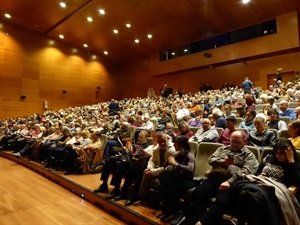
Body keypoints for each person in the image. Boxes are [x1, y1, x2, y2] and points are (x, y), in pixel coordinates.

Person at [184, 131, 259, 225]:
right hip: (215, 177)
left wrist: (229, 182)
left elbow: (245, 172)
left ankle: (201, 223)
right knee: (198, 193)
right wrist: (223, 162)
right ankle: (201, 220)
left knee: (222, 202)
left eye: (238, 142)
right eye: (232, 141)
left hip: (232, 182)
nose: (234, 144)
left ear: (244, 142)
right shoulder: (222, 149)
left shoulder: (249, 155)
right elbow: (211, 160)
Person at [234, 138, 300, 225]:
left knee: (249, 196)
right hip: (260, 184)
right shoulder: (269, 158)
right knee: (245, 194)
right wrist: (260, 177)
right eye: (277, 152)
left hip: (275, 191)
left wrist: (291, 161)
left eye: (282, 153)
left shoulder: (292, 165)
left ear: (289, 153)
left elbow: (296, 182)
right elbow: (258, 172)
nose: (279, 155)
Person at [93, 130, 150, 199]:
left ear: (146, 138)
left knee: (118, 164)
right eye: (138, 137)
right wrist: (126, 150)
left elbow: (141, 159)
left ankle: (116, 189)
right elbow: (130, 155)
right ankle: (104, 184)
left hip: (134, 165)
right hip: (128, 161)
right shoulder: (137, 143)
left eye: (141, 137)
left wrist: (133, 153)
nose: (139, 138)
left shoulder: (147, 147)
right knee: (108, 161)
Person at [158, 136, 195, 224]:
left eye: (176, 144)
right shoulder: (177, 154)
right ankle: (172, 209)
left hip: (188, 180)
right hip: (178, 178)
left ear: (181, 145)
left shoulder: (190, 155)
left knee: (170, 188)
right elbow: (165, 167)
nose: (174, 145)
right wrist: (167, 162)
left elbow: (190, 169)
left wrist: (176, 164)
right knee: (163, 176)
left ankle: (178, 211)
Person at [134, 132, 176, 205]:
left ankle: (161, 202)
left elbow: (169, 167)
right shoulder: (156, 148)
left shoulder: (172, 150)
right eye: (159, 142)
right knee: (146, 172)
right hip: (159, 170)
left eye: (163, 141)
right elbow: (152, 160)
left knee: (155, 179)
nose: (162, 143)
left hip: (169, 173)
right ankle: (143, 198)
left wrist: (153, 171)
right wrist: (149, 168)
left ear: (167, 139)